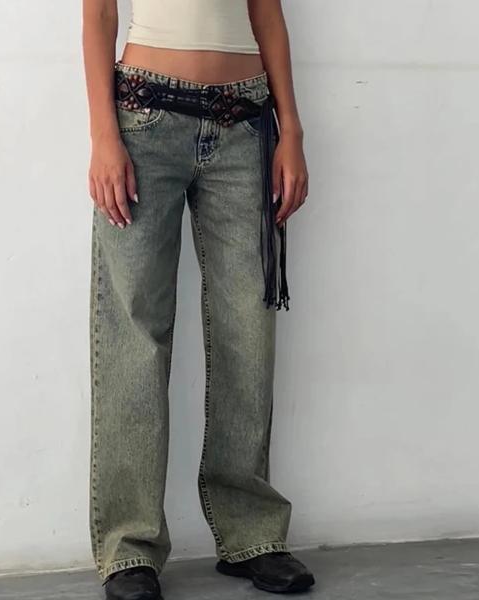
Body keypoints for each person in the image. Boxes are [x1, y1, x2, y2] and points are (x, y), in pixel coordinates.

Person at [82, 0, 313, 598]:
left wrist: (292, 129)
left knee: (248, 328)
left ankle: (252, 534)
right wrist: (104, 134)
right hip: (144, 119)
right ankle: (129, 548)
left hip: (245, 124)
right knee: (135, 335)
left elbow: (266, 12)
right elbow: (99, 14)